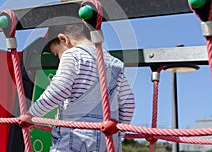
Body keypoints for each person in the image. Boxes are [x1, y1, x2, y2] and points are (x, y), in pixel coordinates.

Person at [19, 22, 135, 152]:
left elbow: (59, 90)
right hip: (109, 139)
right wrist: (118, 133)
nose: (59, 59)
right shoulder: (114, 63)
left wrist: (31, 114)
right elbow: (128, 103)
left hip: (77, 135)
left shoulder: (73, 55)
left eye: (57, 54)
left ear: (64, 39)